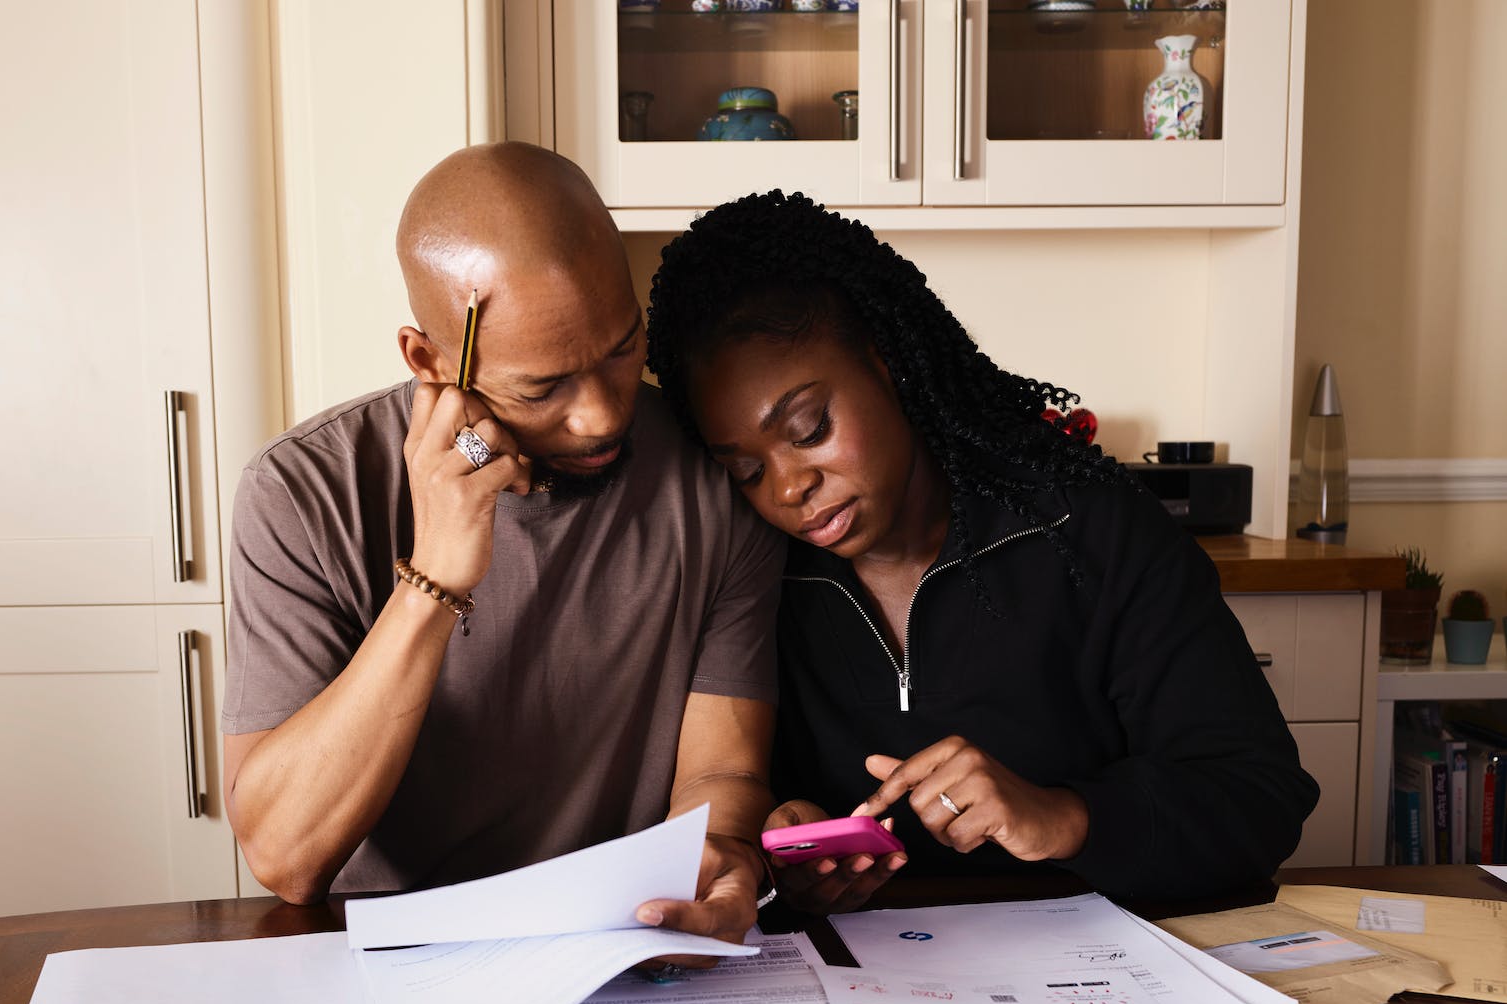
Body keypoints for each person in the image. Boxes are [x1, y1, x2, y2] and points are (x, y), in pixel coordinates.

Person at [644, 190, 1318, 909]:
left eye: (809, 429)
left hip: (1103, 971)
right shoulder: (757, 577)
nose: (787, 487)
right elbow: (741, 793)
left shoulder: (1090, 531)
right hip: (867, 986)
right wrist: (785, 852)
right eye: (744, 470)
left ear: (887, 362)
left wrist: (1063, 817)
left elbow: (1259, 799)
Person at [220, 144, 782, 952]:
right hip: (383, 956)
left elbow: (719, 773)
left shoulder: (714, 472)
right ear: (429, 360)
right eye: (541, 387)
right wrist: (438, 574)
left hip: (620, 942)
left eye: (622, 349)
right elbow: (286, 858)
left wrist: (721, 855)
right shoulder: (302, 492)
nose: (598, 417)